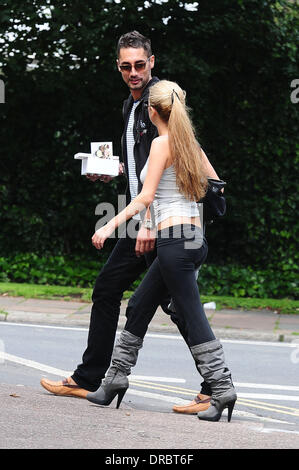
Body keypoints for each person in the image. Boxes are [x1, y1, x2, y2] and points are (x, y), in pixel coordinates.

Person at [40, 31, 211, 412]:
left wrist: (149, 223)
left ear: (152, 62)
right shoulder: (130, 107)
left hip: (156, 222)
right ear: (118, 67)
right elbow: (150, 167)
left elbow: (183, 158)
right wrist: (114, 170)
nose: (133, 72)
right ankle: (91, 378)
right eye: (125, 66)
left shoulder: (158, 103)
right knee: (111, 290)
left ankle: (214, 386)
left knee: (176, 304)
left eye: (139, 64)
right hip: (143, 216)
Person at [86, 80, 237, 422]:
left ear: (152, 111)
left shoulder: (160, 143)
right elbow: (217, 189)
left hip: (174, 244)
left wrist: (110, 226)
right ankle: (114, 380)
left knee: (193, 316)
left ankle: (222, 386)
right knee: (139, 304)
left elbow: (144, 197)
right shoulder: (190, 146)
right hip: (193, 241)